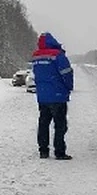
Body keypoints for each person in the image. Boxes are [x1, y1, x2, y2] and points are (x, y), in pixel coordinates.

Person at [31, 32, 74, 160]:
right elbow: (66, 74)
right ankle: (59, 151)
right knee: (60, 125)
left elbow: (36, 74)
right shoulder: (57, 55)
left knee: (43, 123)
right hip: (58, 95)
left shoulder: (36, 56)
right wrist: (69, 87)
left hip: (43, 96)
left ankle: (43, 151)